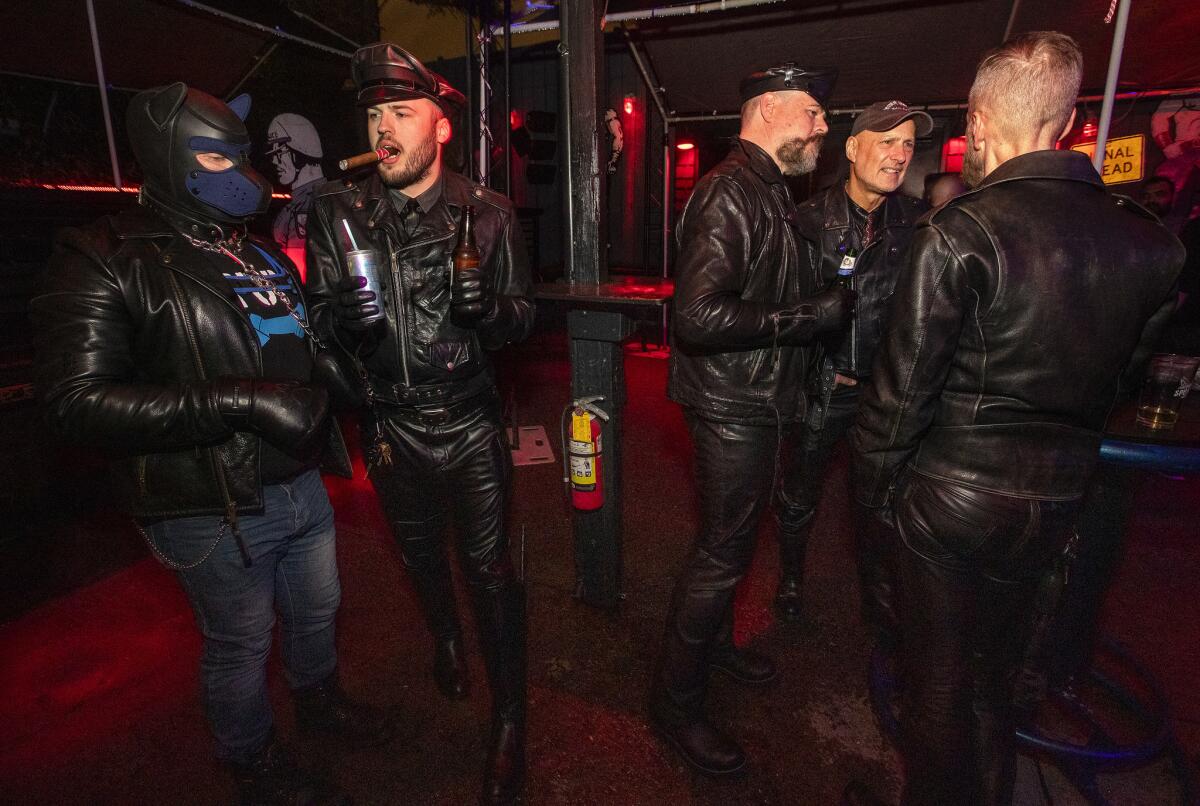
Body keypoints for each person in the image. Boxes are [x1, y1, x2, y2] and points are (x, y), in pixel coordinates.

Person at [32, 83, 393, 805]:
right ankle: (251, 764)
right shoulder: (105, 256)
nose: (239, 173)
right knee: (242, 642)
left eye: (240, 156)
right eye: (212, 156)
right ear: (168, 157)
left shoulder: (259, 254)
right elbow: (75, 404)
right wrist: (239, 402)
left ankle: (320, 704)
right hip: (212, 498)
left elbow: (301, 350)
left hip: (299, 481)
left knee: (318, 610)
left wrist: (347, 337)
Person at [850, 32, 1183, 805]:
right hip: (1060, 499)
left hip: (951, 502)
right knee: (997, 690)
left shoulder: (961, 232)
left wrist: (874, 517)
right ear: (1066, 123)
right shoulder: (1151, 243)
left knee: (934, 695)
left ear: (979, 119)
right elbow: (1118, 385)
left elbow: (896, 408)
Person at [305, 43, 534, 805]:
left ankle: (510, 721)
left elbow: (522, 320)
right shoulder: (338, 213)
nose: (384, 130)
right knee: (419, 558)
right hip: (391, 429)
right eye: (374, 114)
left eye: (401, 112)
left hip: (469, 424)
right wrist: (338, 325)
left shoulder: (491, 213)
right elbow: (315, 336)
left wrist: (490, 312)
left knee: (494, 575)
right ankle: (441, 633)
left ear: (441, 126)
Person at [650, 62, 852, 777]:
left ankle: (717, 649)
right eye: (813, 113)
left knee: (733, 546)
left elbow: (757, 290)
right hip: (732, 406)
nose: (824, 126)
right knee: (720, 554)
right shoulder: (728, 192)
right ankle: (674, 705)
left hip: (760, 403)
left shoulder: (770, 191)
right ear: (767, 109)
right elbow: (697, 316)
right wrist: (809, 316)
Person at [776, 100, 931, 629]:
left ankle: (878, 595)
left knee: (880, 503)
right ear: (852, 148)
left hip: (887, 395)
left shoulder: (917, 223)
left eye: (908, 144)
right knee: (800, 496)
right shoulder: (807, 220)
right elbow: (784, 311)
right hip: (824, 387)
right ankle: (791, 579)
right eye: (887, 141)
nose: (899, 155)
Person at [266, 112, 327, 272]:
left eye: (280, 152)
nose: (274, 160)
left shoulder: (312, 204)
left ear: (300, 151)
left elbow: (300, 271)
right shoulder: (300, 203)